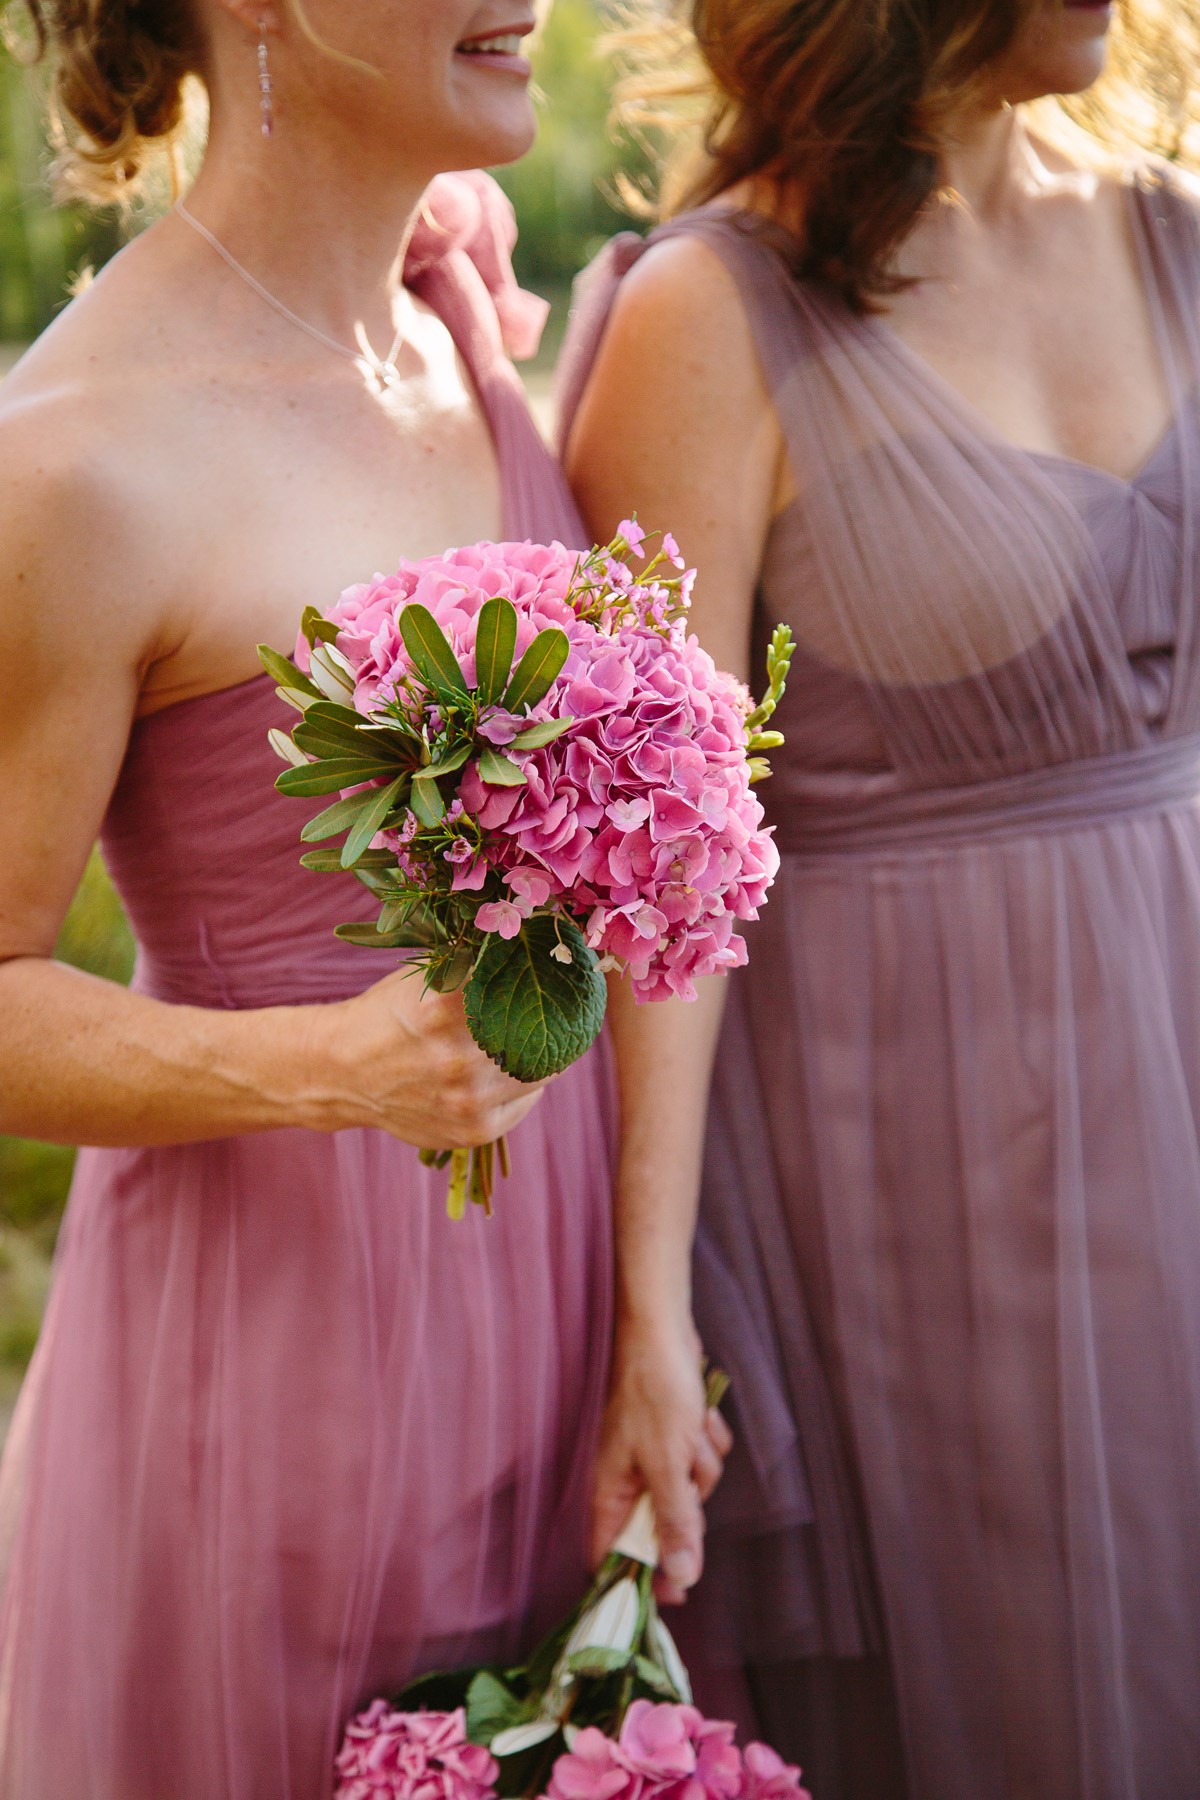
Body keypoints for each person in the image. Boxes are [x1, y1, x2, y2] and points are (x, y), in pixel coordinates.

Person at [562, 0, 1200, 1794]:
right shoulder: (712, 314)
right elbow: (652, 864)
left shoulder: (1169, 220)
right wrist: (648, 1304)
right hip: (918, 1161)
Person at [0, 2, 618, 1793]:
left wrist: (648, 1316)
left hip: (553, 1298)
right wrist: (337, 1066)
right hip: (278, 1362)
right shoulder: (73, 462)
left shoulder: (450, 320)